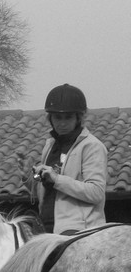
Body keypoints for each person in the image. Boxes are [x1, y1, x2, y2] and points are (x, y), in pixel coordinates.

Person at [32, 83, 107, 235]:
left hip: (80, 231)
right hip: (47, 228)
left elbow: (96, 193)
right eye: (57, 117)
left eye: (68, 117)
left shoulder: (92, 146)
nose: (62, 123)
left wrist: (57, 179)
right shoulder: (49, 145)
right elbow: (48, 193)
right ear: (50, 119)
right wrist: (28, 179)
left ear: (78, 118)